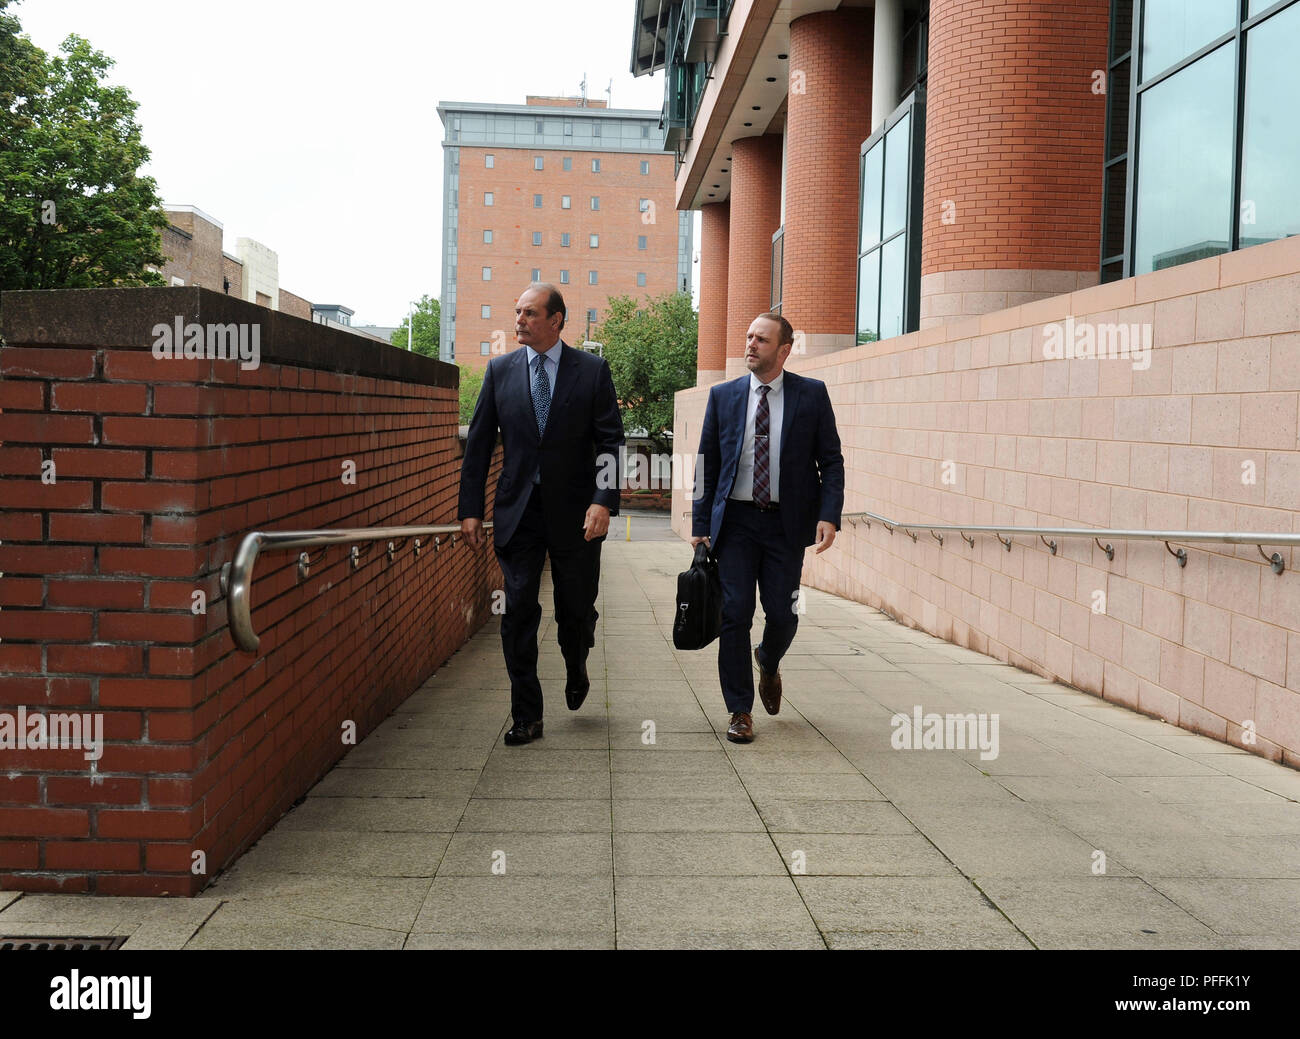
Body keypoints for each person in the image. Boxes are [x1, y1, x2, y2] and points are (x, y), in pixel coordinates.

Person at [460, 283, 625, 745]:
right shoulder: (499, 371)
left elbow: (611, 442)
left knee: (574, 612)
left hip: (577, 516)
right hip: (518, 514)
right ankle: (526, 714)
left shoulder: (591, 371)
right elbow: (477, 447)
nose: (519, 320)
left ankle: (576, 661)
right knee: (518, 611)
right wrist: (470, 509)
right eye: (517, 312)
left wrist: (602, 500)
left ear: (556, 321)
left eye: (530, 313)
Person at [691, 312, 844, 743]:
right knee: (734, 613)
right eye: (748, 337)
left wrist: (829, 515)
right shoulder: (723, 396)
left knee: (782, 613)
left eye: (761, 339)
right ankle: (739, 709)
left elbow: (830, 461)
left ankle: (769, 659)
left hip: (785, 524)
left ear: (784, 349)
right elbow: (707, 464)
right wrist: (700, 523)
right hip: (735, 523)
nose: (751, 344)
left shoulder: (810, 396)